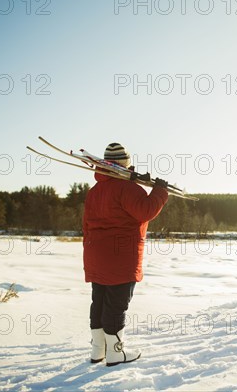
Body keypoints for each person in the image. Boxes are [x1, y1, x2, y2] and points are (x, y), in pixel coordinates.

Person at [82, 142, 168, 367]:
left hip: (96, 256)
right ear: (125, 165)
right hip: (120, 258)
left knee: (98, 301)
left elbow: (86, 225)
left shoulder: (95, 191)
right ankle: (115, 353)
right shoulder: (127, 188)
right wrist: (159, 192)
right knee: (117, 304)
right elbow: (145, 211)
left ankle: (97, 350)